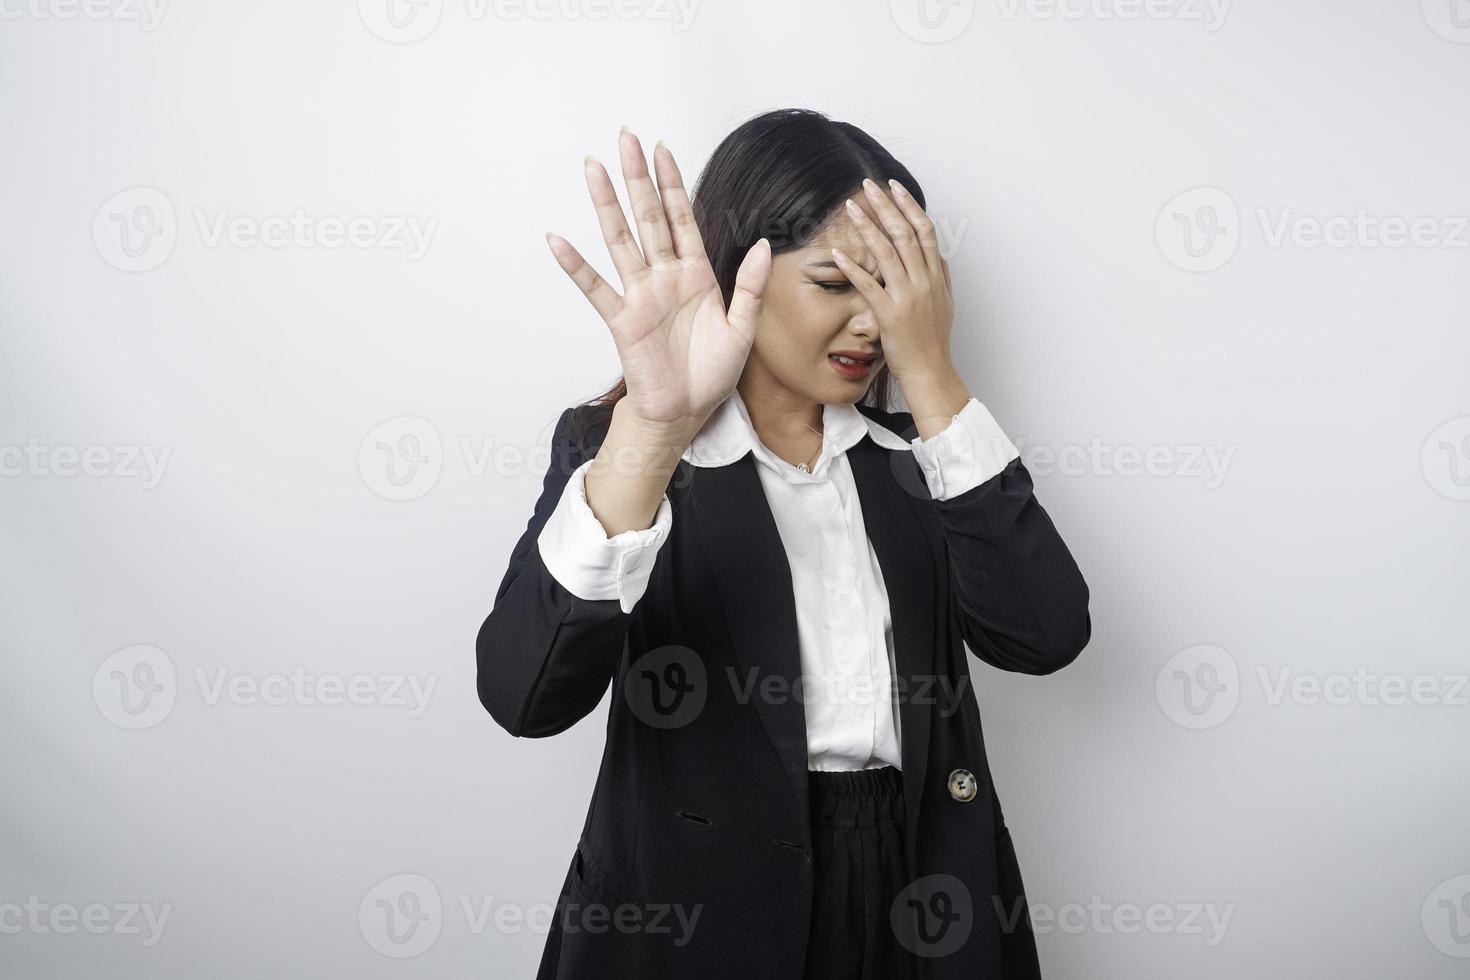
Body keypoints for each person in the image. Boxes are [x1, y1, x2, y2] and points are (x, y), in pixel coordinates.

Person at [476, 108, 1092, 980]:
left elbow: (1045, 637)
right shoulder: (623, 456)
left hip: (918, 894)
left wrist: (934, 376)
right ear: (742, 276)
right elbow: (522, 696)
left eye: (893, 290)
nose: (873, 323)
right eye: (837, 282)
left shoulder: (925, 466)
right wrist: (651, 435)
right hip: (698, 915)